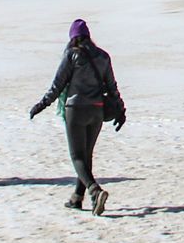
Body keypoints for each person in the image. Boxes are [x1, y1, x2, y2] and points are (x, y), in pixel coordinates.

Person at [29, 20, 126, 214]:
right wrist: (121, 110)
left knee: (77, 156)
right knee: (86, 155)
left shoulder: (72, 54)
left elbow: (57, 85)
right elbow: (112, 86)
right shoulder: (103, 56)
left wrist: (41, 105)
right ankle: (77, 198)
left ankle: (94, 190)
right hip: (97, 110)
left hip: (76, 109)